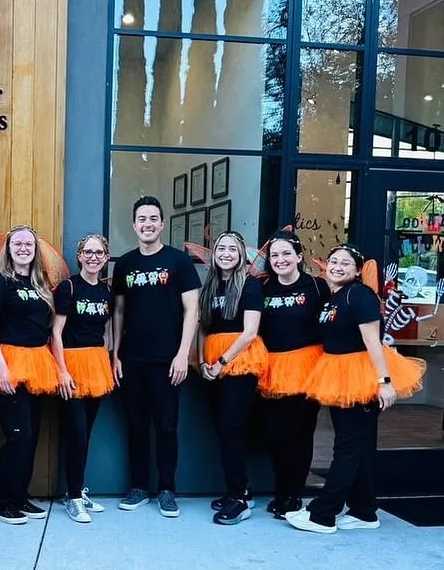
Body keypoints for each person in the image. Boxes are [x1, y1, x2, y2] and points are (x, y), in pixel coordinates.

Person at [286, 244, 426, 534]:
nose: (337, 267)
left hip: (361, 376)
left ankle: (323, 515)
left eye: (345, 263)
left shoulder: (360, 295)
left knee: (347, 447)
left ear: (358, 270)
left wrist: (384, 382)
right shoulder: (336, 296)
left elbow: (373, 341)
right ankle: (364, 510)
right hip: (338, 373)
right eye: (334, 261)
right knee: (356, 446)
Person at [112, 196, 200, 518]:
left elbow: (193, 310)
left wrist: (183, 354)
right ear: (134, 225)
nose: (147, 224)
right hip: (132, 360)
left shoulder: (179, 261)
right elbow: (118, 311)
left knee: (166, 427)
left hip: (168, 360)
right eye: (142, 219)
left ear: (162, 224)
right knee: (136, 425)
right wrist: (116, 354)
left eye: (153, 218)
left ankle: (166, 489)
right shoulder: (124, 264)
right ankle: (138, 487)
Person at [0, 225, 61, 525]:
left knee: (31, 436)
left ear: (36, 250)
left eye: (29, 244)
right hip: (10, 362)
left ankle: (19, 496)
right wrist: (2, 368)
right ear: (9, 248)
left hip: (37, 364)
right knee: (18, 436)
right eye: (18, 243)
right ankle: (0, 503)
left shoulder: (40, 284)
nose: (24, 248)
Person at [258, 231, 329, 519]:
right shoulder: (263, 287)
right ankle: (280, 490)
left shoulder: (317, 286)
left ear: (299, 256)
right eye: (274, 255)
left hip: (307, 366)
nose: (280, 260)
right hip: (272, 368)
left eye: (286, 253)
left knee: (300, 434)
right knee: (274, 434)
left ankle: (294, 494)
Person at [198, 230, 267, 526]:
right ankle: (240, 490)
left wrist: (222, 362)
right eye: (221, 249)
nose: (226, 254)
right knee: (222, 427)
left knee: (231, 427)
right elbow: (203, 327)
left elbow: (250, 332)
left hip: (239, 360)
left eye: (232, 249)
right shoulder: (210, 285)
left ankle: (239, 497)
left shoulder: (250, 285)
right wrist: (203, 360)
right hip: (212, 361)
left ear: (241, 255)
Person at [52, 234, 114, 523]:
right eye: (87, 252)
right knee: (76, 432)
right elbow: (56, 332)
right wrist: (62, 370)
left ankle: (76, 490)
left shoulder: (106, 291)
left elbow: (106, 331)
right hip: (72, 364)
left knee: (86, 433)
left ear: (106, 258)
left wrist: (108, 360)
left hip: (96, 364)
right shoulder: (68, 287)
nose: (93, 257)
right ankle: (74, 497)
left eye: (99, 253)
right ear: (79, 256)